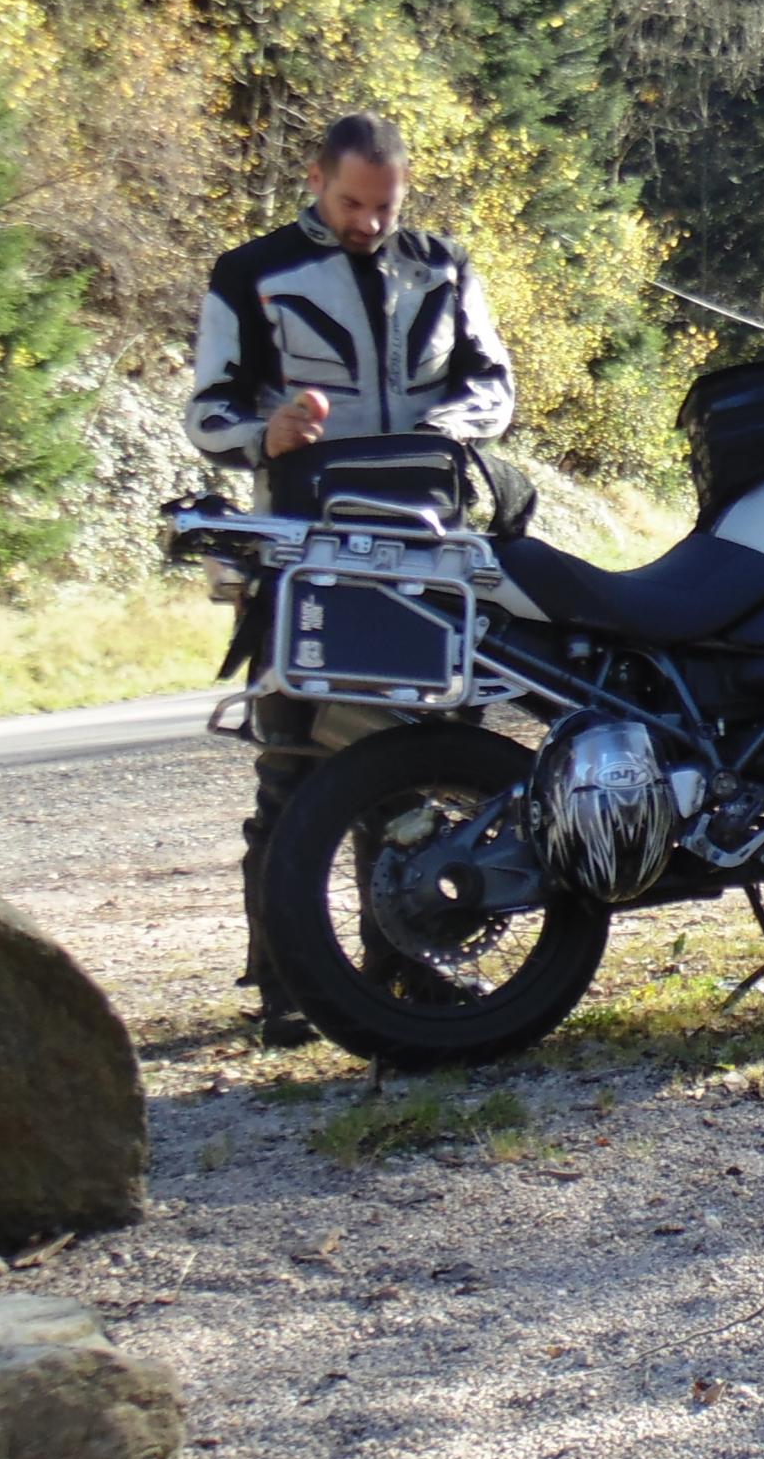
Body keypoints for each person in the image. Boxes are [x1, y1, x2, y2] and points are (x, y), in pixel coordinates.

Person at [185, 111, 523, 1045]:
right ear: (315, 181)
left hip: (428, 544)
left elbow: (494, 384)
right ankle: (285, 986)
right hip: (306, 547)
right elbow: (207, 409)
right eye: (351, 204)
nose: (369, 222)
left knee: (428, 763)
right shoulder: (250, 273)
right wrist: (266, 432)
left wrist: (452, 425)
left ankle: (407, 968)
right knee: (296, 769)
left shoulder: (445, 266)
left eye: (384, 206)